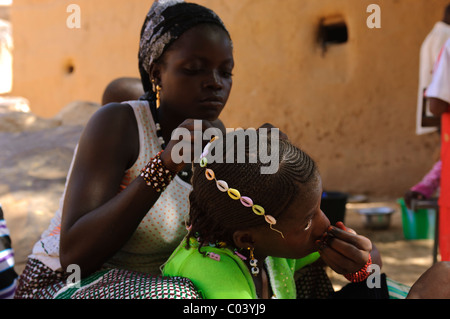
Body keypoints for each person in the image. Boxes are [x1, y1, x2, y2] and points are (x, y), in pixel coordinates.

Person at [14, 0, 234, 299]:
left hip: (150, 283)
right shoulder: (120, 124)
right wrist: (164, 166)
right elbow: (75, 256)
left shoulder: (213, 136)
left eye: (226, 71)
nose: (214, 83)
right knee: (179, 297)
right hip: (63, 283)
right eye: (194, 69)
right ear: (157, 74)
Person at [163, 131, 423, 299]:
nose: (324, 223)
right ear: (246, 240)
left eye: (319, 207)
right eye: (308, 221)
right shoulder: (211, 270)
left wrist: (360, 266)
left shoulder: (269, 245)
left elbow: (373, 264)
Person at [416, 4, 450, 135]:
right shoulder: (444, 35)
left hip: (435, 97)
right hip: (442, 99)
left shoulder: (433, 35)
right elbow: (443, 71)